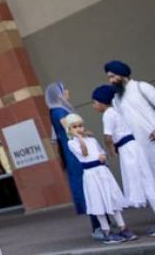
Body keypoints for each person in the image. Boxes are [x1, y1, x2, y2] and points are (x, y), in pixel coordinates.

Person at [93, 84, 155, 235]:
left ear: (101, 102)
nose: (94, 106)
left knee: (142, 182)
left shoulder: (108, 114)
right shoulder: (116, 110)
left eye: (94, 102)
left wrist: (111, 150)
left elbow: (107, 137)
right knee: (147, 182)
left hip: (128, 150)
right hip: (134, 147)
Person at [64, 113, 131, 244]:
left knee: (112, 199)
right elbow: (84, 153)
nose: (79, 129)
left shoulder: (92, 140)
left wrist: (103, 156)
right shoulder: (71, 143)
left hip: (102, 172)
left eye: (80, 126)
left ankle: (123, 227)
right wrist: (79, 138)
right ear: (69, 130)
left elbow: (101, 151)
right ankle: (106, 231)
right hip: (91, 174)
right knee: (98, 202)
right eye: (74, 127)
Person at [45, 82, 101, 238]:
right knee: (89, 187)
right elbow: (70, 131)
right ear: (59, 94)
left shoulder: (55, 111)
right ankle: (98, 226)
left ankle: (102, 223)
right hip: (77, 154)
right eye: (64, 90)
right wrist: (86, 136)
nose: (67, 92)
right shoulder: (60, 111)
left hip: (72, 154)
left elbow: (55, 139)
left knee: (90, 186)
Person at [107, 60, 155, 173]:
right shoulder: (116, 100)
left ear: (122, 74)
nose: (111, 81)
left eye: (113, 76)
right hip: (138, 148)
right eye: (109, 78)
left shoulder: (141, 87)